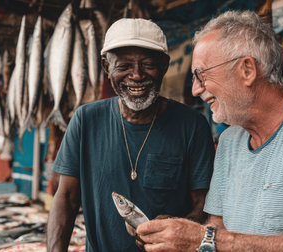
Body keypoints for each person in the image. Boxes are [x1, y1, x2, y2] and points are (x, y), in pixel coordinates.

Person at [136, 10, 283, 252]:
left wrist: (203, 239)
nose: (196, 89)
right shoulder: (230, 140)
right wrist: (176, 235)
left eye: (201, 75)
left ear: (247, 70)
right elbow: (217, 229)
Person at [46, 18, 215, 251]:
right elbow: (65, 198)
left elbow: (204, 206)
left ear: (164, 66)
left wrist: (182, 226)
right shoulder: (86, 120)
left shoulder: (193, 125)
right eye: (124, 66)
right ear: (106, 67)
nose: (136, 75)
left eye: (147, 64)